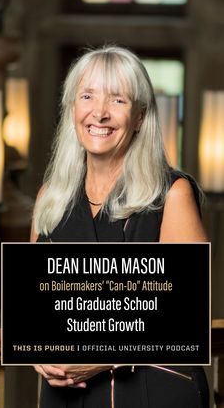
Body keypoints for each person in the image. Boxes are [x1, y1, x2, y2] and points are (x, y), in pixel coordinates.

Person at [31, 45, 209, 407]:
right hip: (65, 395)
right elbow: (36, 309)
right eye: (87, 96)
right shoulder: (50, 196)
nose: (99, 113)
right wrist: (38, 352)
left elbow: (189, 315)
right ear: (72, 109)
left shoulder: (172, 193)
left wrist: (99, 357)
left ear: (140, 116)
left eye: (118, 101)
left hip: (151, 392)